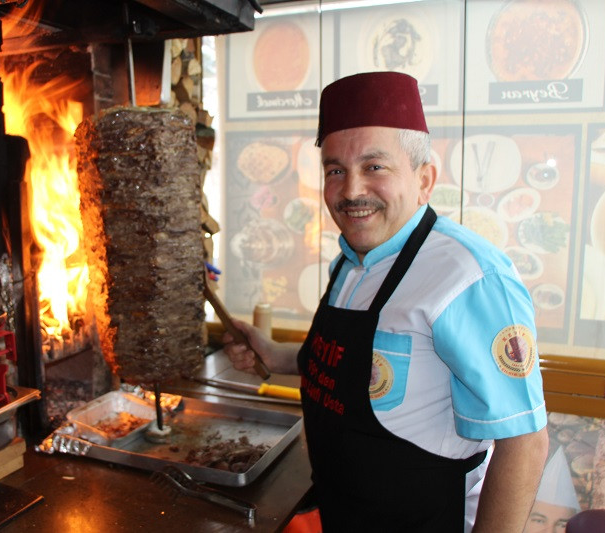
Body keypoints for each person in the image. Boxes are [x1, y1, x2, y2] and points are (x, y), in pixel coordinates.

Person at [223, 71, 549, 532]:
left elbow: (524, 441)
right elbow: (352, 366)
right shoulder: (352, 262)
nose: (352, 190)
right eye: (336, 170)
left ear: (424, 179)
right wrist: (271, 354)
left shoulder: (469, 275)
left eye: (374, 166)